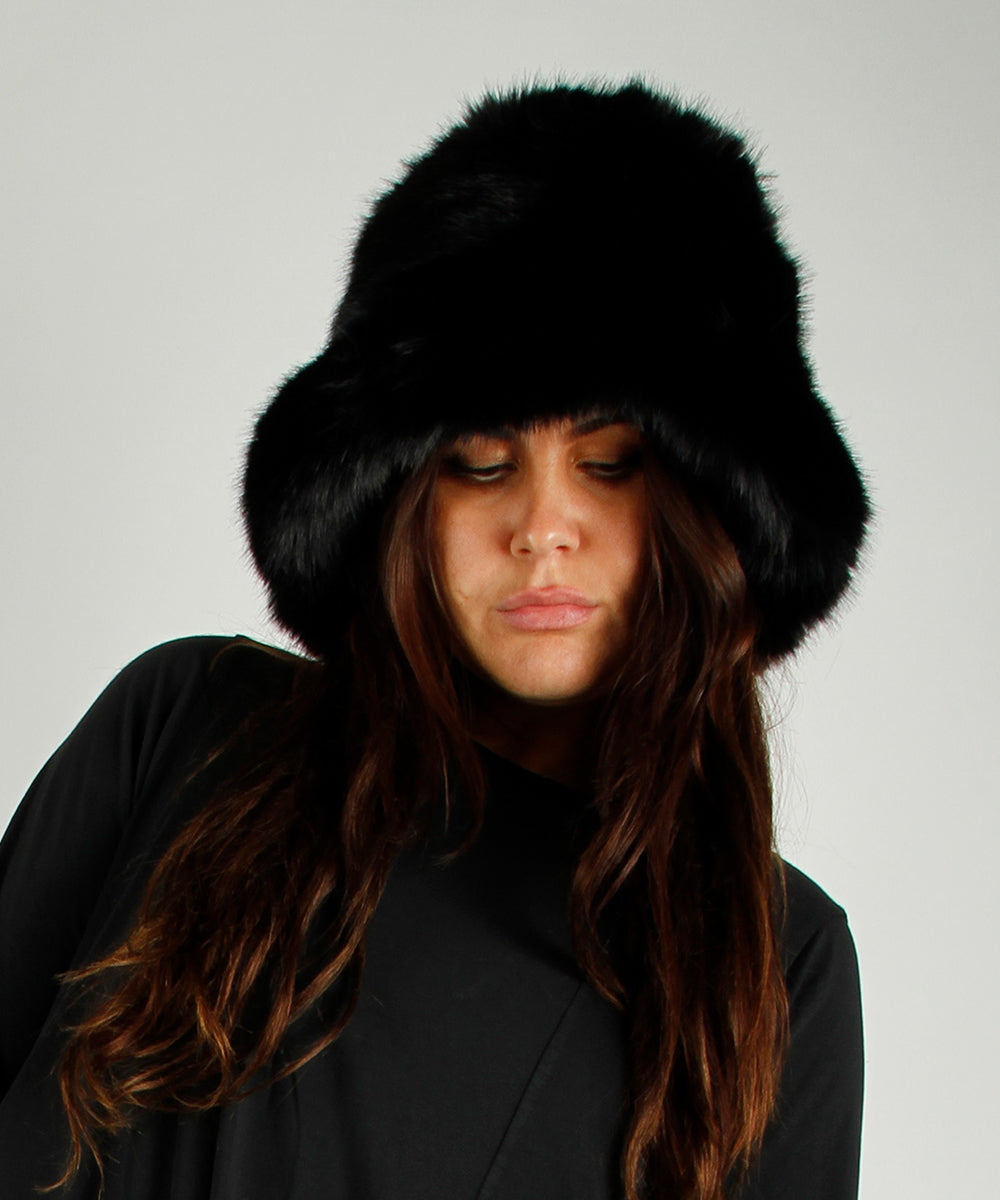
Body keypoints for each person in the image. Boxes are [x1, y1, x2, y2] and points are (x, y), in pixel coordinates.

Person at [0, 80, 870, 1200]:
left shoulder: (774, 971)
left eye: (610, 465)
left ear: (707, 510)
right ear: (406, 495)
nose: (542, 528)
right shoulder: (188, 731)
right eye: (481, 463)